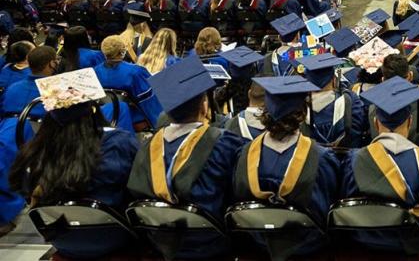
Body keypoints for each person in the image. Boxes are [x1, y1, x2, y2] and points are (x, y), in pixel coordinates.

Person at [8, 68, 139, 257]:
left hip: (63, 239)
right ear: (93, 109)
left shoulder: (35, 151)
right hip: (114, 237)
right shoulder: (119, 143)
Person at [127, 56, 243, 240]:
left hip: (160, 240)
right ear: (204, 107)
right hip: (209, 240)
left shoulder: (146, 145)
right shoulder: (225, 143)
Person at [342, 76, 419, 253]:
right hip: (415, 248)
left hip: (363, 248)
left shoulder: (354, 160)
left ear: (375, 122)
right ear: (410, 122)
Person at [233, 76, 340, 255]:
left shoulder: (244, 155)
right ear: (302, 113)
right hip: (307, 247)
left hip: (258, 246)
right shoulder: (321, 158)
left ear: (264, 111)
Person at [299, 53, 367, 147]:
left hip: (311, 158)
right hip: (347, 157)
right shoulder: (351, 101)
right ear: (334, 79)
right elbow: (357, 133)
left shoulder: (299, 106)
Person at [1, 45, 58, 119]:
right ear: (52, 63)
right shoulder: (57, 92)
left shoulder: (11, 88)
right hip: (40, 129)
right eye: (57, 59)